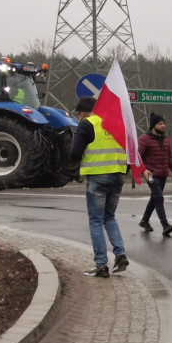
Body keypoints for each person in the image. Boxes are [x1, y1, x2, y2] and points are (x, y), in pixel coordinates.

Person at [69, 96, 128, 278]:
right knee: (109, 217)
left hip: (98, 176)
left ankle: (101, 264)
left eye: (80, 113)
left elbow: (74, 153)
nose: (79, 117)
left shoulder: (88, 125)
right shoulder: (117, 122)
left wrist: (72, 169)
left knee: (95, 220)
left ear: (87, 111)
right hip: (118, 174)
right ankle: (120, 254)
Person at [138, 113, 172, 236]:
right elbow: (138, 158)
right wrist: (143, 170)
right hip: (151, 174)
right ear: (153, 125)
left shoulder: (167, 139)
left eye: (163, 123)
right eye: (159, 124)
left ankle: (144, 221)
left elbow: (170, 158)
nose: (163, 126)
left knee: (155, 198)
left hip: (163, 174)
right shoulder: (144, 139)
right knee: (159, 198)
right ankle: (165, 225)